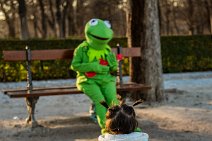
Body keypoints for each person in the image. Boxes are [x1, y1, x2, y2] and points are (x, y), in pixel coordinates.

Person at [71, 18, 119, 134]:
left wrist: (113, 66)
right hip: (88, 80)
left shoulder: (107, 49)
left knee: (113, 101)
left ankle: (120, 126)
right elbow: (75, 65)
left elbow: (112, 66)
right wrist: (93, 66)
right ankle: (106, 128)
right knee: (101, 101)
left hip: (106, 80)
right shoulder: (82, 49)